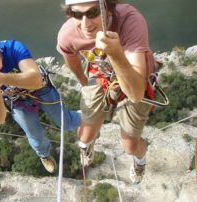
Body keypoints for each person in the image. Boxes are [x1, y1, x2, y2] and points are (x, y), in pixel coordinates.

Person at [57, 0, 155, 183]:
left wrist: (116, 53)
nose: (85, 23)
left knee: (130, 146)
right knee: (84, 136)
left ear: (108, 8)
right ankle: (88, 145)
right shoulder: (68, 33)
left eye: (93, 12)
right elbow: (69, 56)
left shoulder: (129, 20)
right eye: (77, 14)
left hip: (133, 77)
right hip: (101, 74)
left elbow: (135, 94)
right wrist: (83, 81)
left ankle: (140, 159)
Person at [0, 32, 81, 173]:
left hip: (40, 88)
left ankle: (86, 118)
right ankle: (44, 155)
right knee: (36, 137)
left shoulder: (13, 48)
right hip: (17, 102)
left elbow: (36, 80)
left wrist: (1, 78)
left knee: (66, 123)